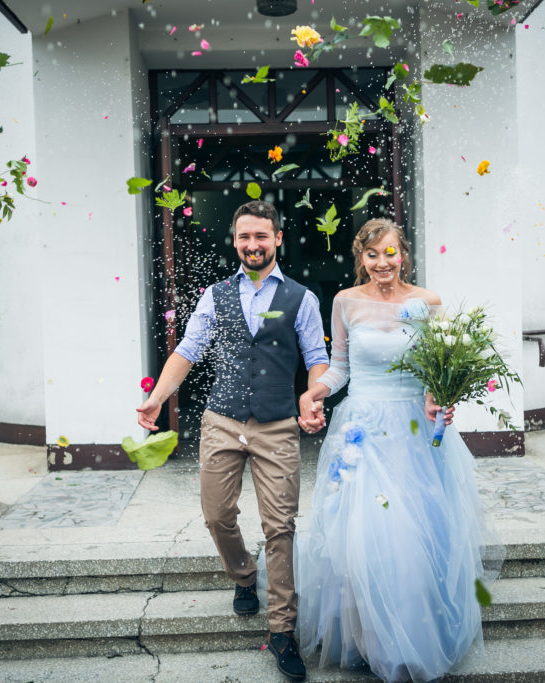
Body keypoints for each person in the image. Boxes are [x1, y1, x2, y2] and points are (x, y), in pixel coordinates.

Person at [137, 200, 328, 682]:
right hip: (221, 420)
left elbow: (317, 356)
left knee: (280, 526)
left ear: (278, 239)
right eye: (244, 237)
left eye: (261, 236)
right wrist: (158, 398)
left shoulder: (301, 298)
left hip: (277, 423)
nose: (252, 245)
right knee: (217, 515)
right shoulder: (215, 295)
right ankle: (244, 575)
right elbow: (188, 349)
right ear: (236, 240)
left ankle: (282, 631)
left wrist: (313, 395)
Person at [293, 218, 485, 683]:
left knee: (415, 534)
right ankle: (369, 638)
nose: (383, 263)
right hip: (362, 428)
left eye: (390, 253)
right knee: (364, 533)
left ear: (404, 255)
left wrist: (442, 395)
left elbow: (439, 370)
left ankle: (411, 637)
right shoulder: (344, 302)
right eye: (373, 254)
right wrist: (311, 393)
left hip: (416, 431)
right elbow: (339, 368)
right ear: (361, 258)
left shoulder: (427, 303)